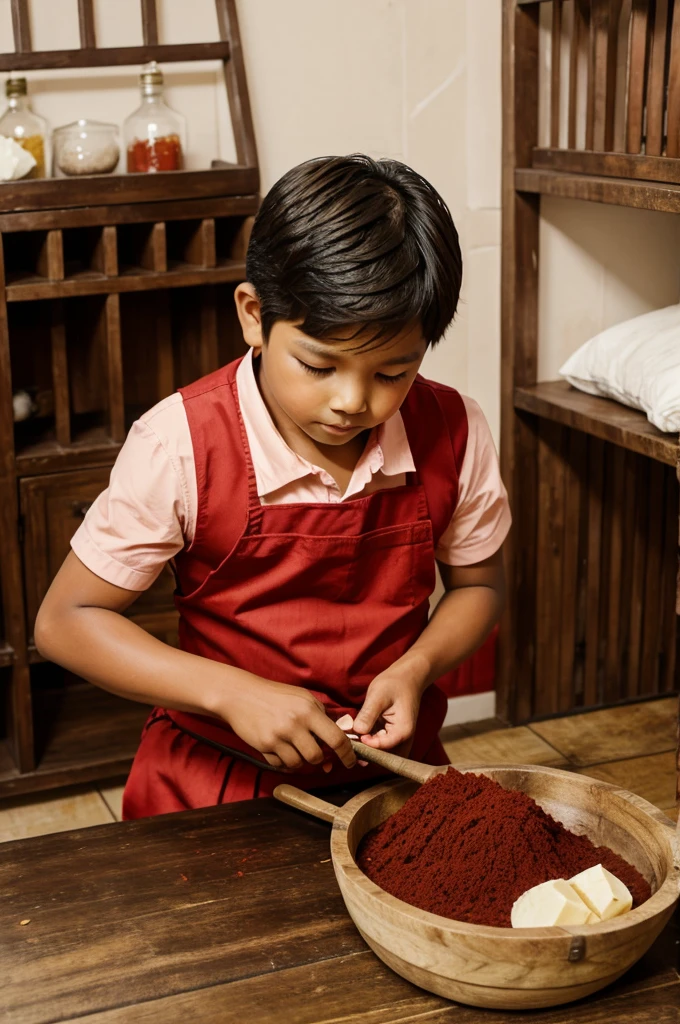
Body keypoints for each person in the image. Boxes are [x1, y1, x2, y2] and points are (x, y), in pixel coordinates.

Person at [34, 154, 510, 817]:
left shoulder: (454, 428)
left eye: (393, 372)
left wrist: (417, 667)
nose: (354, 402)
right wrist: (231, 693)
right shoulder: (180, 442)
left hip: (390, 774)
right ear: (255, 315)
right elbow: (65, 623)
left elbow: (479, 586)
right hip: (217, 776)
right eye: (319, 364)